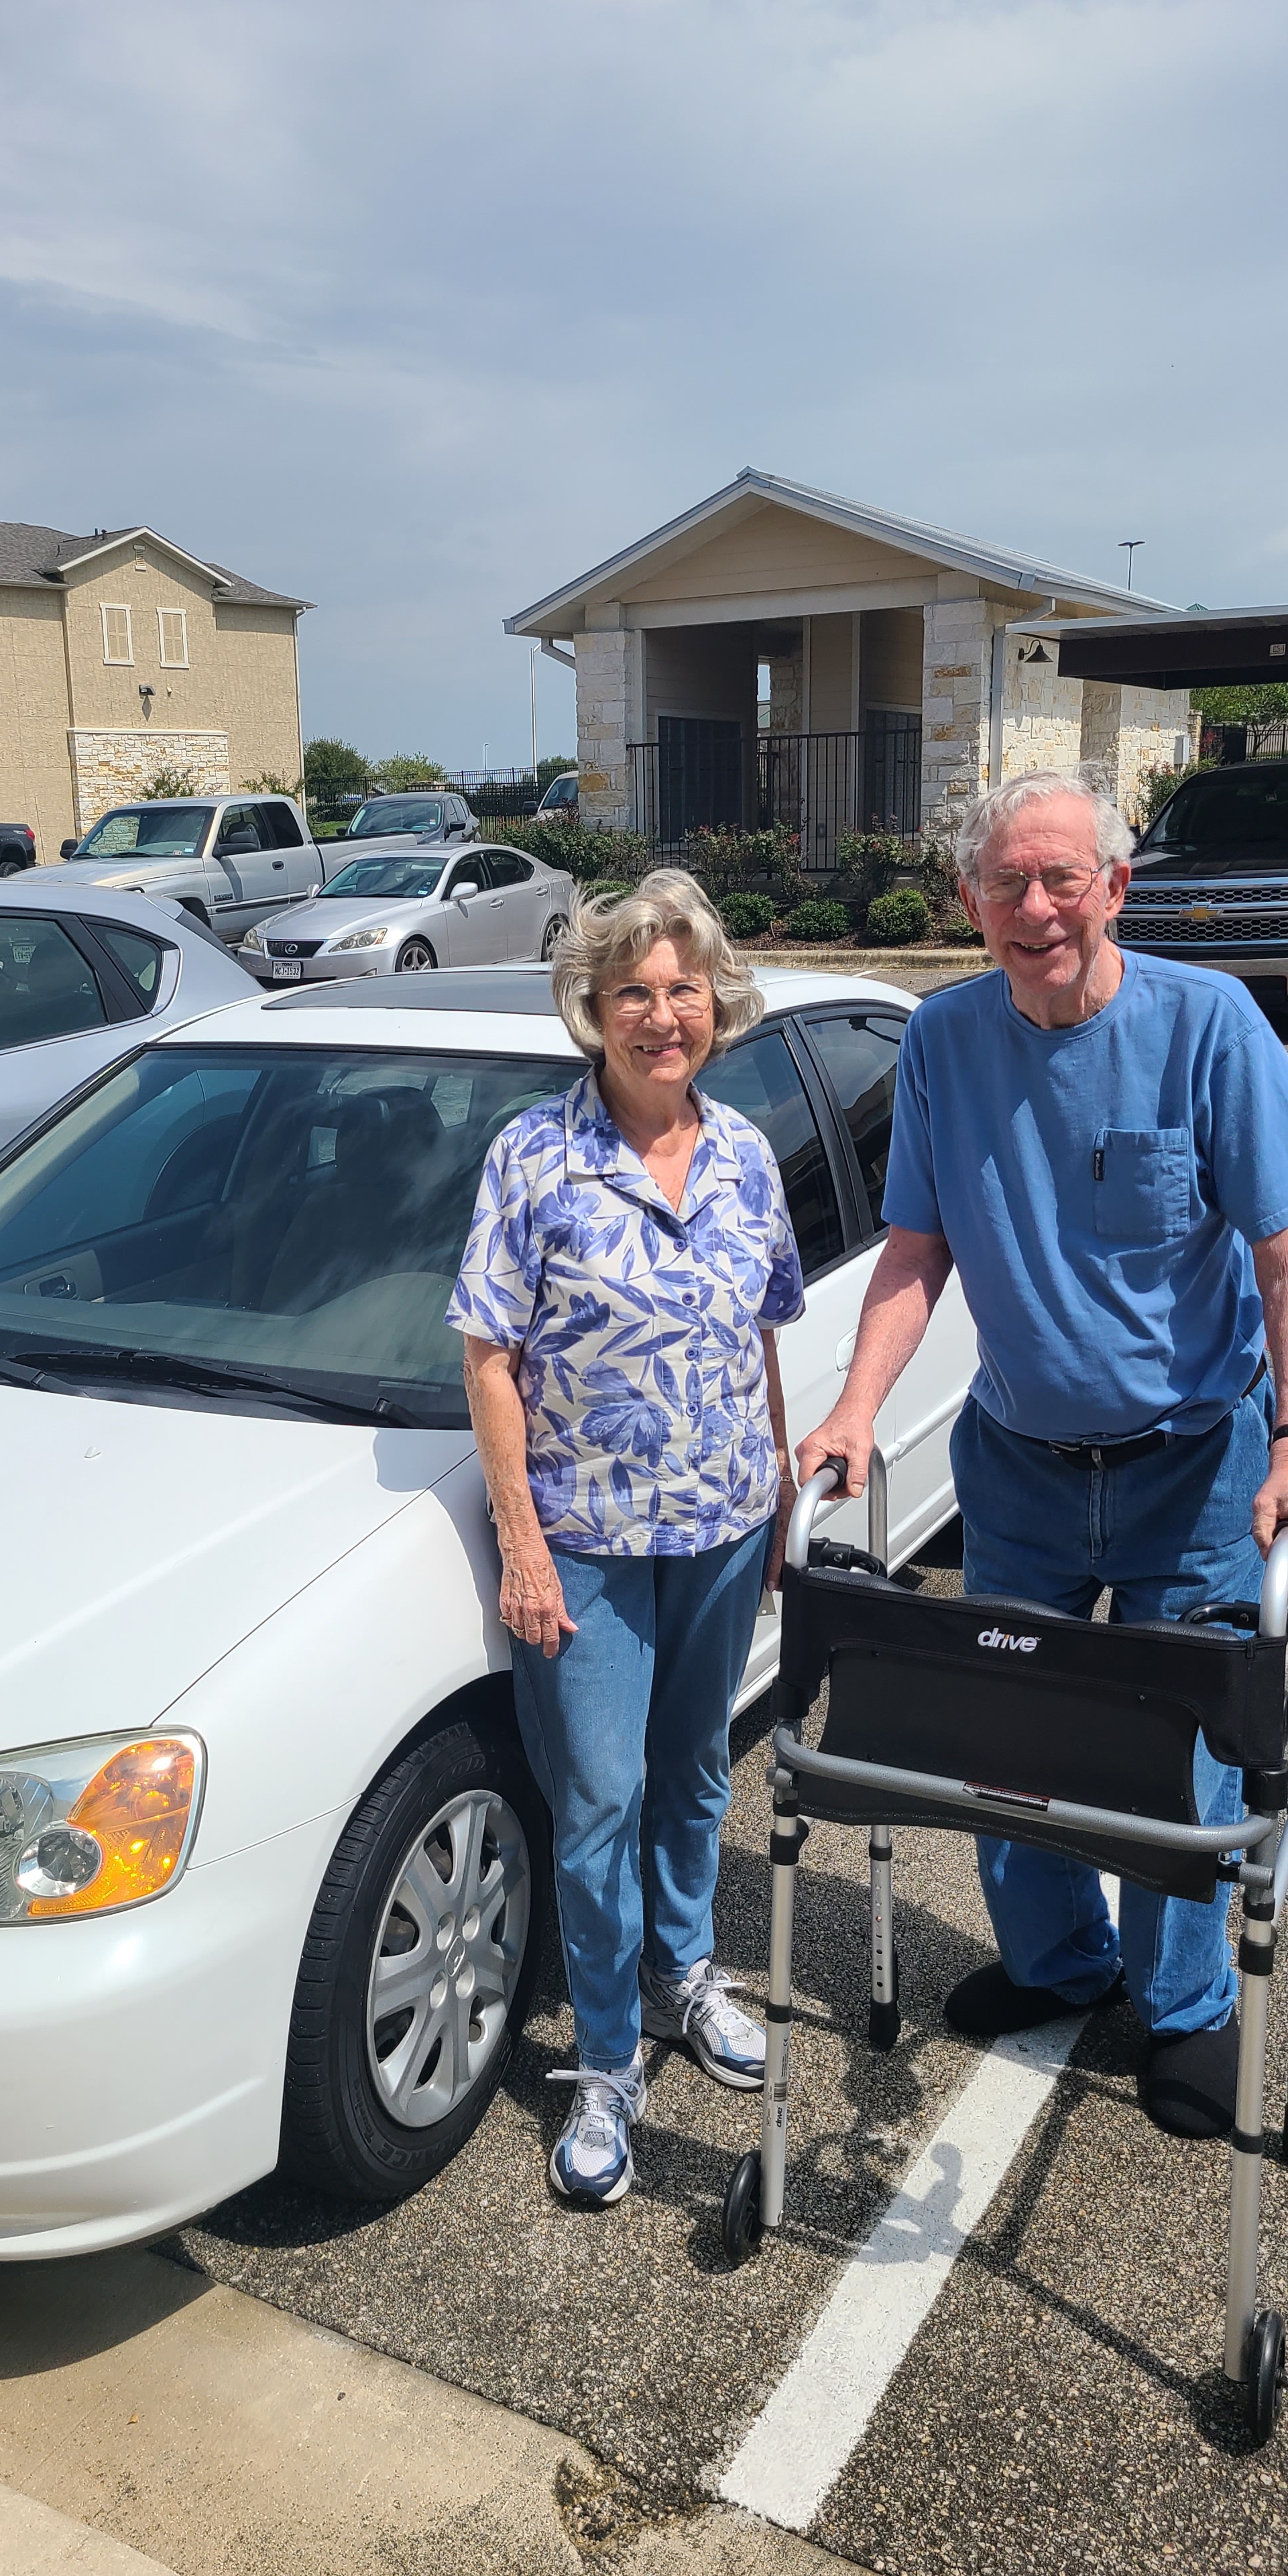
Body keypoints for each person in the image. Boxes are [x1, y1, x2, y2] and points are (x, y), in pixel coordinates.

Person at [798, 769, 1288, 2140]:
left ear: (1116, 888)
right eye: (1006, 884)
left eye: (1062, 880)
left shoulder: (1207, 1025)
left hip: (1193, 1468)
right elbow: (916, 1250)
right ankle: (1059, 1962)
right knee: (1007, 1738)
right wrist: (858, 1406)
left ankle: (1183, 2014)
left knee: (1184, 1761)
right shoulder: (943, 1041)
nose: (1035, 908)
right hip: (1023, 1468)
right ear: (973, 901)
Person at [448, 871, 802, 2207]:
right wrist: (524, 1551)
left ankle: (685, 1969)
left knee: (698, 1771)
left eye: (683, 989)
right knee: (595, 1804)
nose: (663, 1015)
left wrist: (771, 1481)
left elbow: (760, 1330)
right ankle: (605, 2062)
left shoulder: (748, 1157)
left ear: (716, 1002)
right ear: (592, 1012)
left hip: (717, 1523)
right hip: (588, 1540)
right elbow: (490, 1362)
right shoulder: (534, 1159)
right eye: (633, 994)